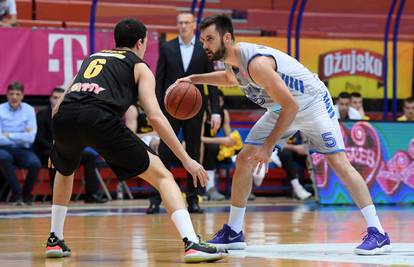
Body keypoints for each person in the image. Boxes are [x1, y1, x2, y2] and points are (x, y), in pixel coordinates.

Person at [177, 14, 390, 255]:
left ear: (226, 38)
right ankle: (234, 231)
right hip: (283, 108)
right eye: (203, 40)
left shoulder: (256, 64)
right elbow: (229, 79)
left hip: (311, 103)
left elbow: (292, 107)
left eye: (210, 39)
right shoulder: (231, 60)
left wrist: (268, 148)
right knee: (246, 158)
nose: (205, 45)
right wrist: (194, 79)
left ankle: (378, 232)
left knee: (338, 162)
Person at [44, 18, 227, 263]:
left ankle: (54, 239)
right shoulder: (139, 66)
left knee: (64, 171)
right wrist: (186, 159)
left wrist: (58, 145)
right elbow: (155, 116)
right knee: (164, 176)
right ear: (141, 43)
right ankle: (192, 243)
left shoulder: (91, 58)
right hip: (99, 119)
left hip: (65, 119)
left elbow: (58, 107)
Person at [149, 12, 222, 214]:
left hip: (195, 109)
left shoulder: (203, 48)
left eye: (186, 23)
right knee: (164, 152)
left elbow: (212, 81)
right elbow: (159, 80)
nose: (183, 26)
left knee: (193, 152)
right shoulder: (167, 47)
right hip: (169, 109)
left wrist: (215, 111)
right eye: (180, 23)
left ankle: (193, 199)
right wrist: (155, 108)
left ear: (194, 25)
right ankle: (156, 198)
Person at [33, 88, 107, 203]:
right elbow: (39, 138)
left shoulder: (70, 114)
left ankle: (91, 194)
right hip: (47, 149)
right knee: (55, 156)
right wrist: (56, 148)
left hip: (67, 149)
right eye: (54, 97)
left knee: (89, 156)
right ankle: (56, 197)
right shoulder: (42, 115)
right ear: (50, 99)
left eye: (60, 97)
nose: (57, 100)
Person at [0, 81, 41, 205]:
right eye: (11, 94)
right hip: (4, 148)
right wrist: (22, 134)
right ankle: (17, 195)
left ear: (22, 96)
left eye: (17, 94)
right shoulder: (0, 109)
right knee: (2, 157)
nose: (14, 97)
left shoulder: (29, 110)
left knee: (35, 163)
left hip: (24, 149)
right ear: (6, 95)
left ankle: (26, 195)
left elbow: (30, 138)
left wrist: (10, 134)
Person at [201, 90, 231, 201]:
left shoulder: (224, 113)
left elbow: (229, 136)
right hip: (200, 145)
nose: (218, 103)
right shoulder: (204, 113)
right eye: (216, 101)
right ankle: (209, 188)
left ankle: (244, 188)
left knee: (240, 150)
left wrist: (233, 143)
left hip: (213, 144)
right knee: (213, 148)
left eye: (220, 101)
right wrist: (221, 140)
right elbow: (199, 138)